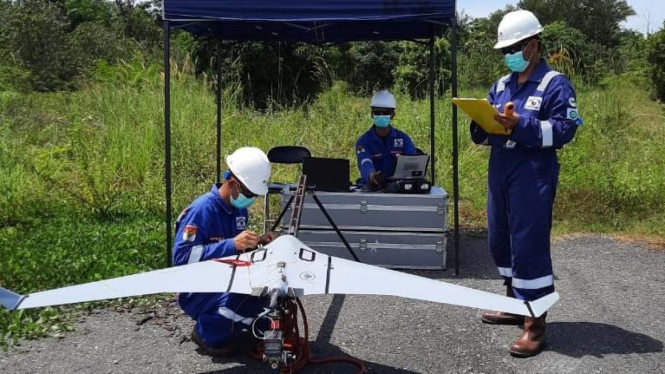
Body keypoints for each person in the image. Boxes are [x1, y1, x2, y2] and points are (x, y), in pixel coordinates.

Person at [470, 10, 582, 357]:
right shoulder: (502, 85)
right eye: (505, 50)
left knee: (528, 244)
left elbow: (566, 130)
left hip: (532, 174)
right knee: (499, 239)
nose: (509, 56)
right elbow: (487, 125)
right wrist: (481, 122)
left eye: (514, 48)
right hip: (501, 169)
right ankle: (513, 302)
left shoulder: (554, 84)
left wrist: (521, 125)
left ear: (533, 45)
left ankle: (535, 325)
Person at [172, 146, 275, 357]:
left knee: (268, 304)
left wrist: (258, 241)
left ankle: (234, 318)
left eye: (254, 195)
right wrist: (230, 245)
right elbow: (181, 259)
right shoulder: (202, 210)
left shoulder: (239, 209)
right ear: (233, 183)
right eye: (248, 193)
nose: (251, 199)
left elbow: (238, 247)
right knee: (246, 314)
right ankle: (205, 332)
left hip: (226, 278)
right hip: (197, 288)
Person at [355, 90, 417, 189]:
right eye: (377, 112)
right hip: (372, 188)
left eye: (385, 112)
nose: (381, 115)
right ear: (372, 114)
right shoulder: (363, 142)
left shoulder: (404, 140)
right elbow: (364, 161)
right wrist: (371, 175)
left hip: (397, 189)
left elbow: (412, 162)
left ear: (392, 115)